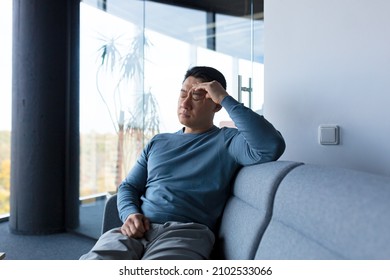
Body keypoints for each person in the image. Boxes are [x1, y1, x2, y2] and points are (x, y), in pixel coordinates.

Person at [80, 66, 285, 260]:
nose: (185, 103)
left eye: (196, 96)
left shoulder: (228, 141)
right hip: (136, 229)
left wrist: (225, 97)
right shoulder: (158, 142)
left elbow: (270, 146)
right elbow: (129, 186)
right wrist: (130, 214)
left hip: (185, 233)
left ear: (215, 104)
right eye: (182, 93)